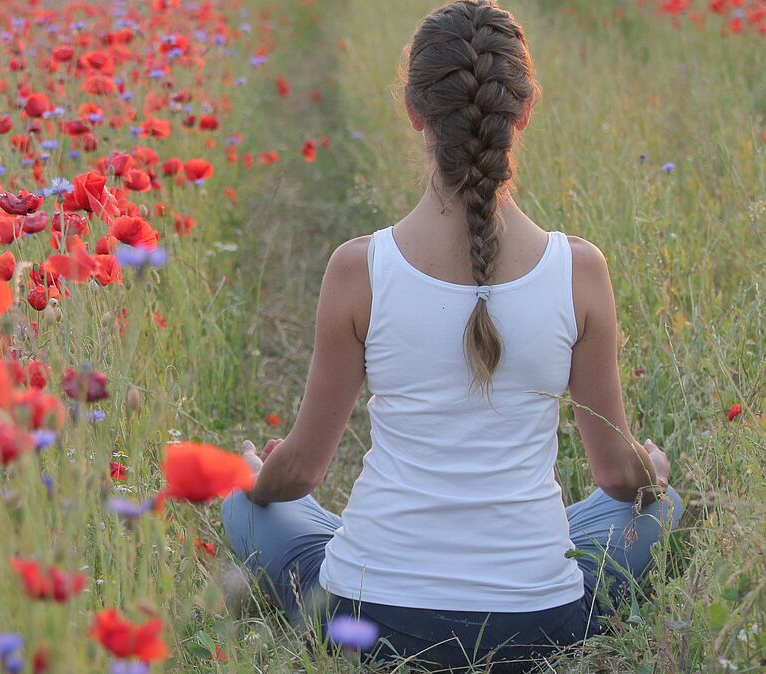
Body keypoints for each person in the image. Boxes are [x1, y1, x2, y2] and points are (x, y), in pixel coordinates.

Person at [220, 1, 683, 671]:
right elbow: (617, 476)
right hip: (540, 624)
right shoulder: (578, 270)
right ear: (522, 111)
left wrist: (260, 479)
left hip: (368, 617)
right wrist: (654, 475)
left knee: (246, 500)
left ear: (413, 110)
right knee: (655, 510)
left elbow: (302, 473)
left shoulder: (360, 269)